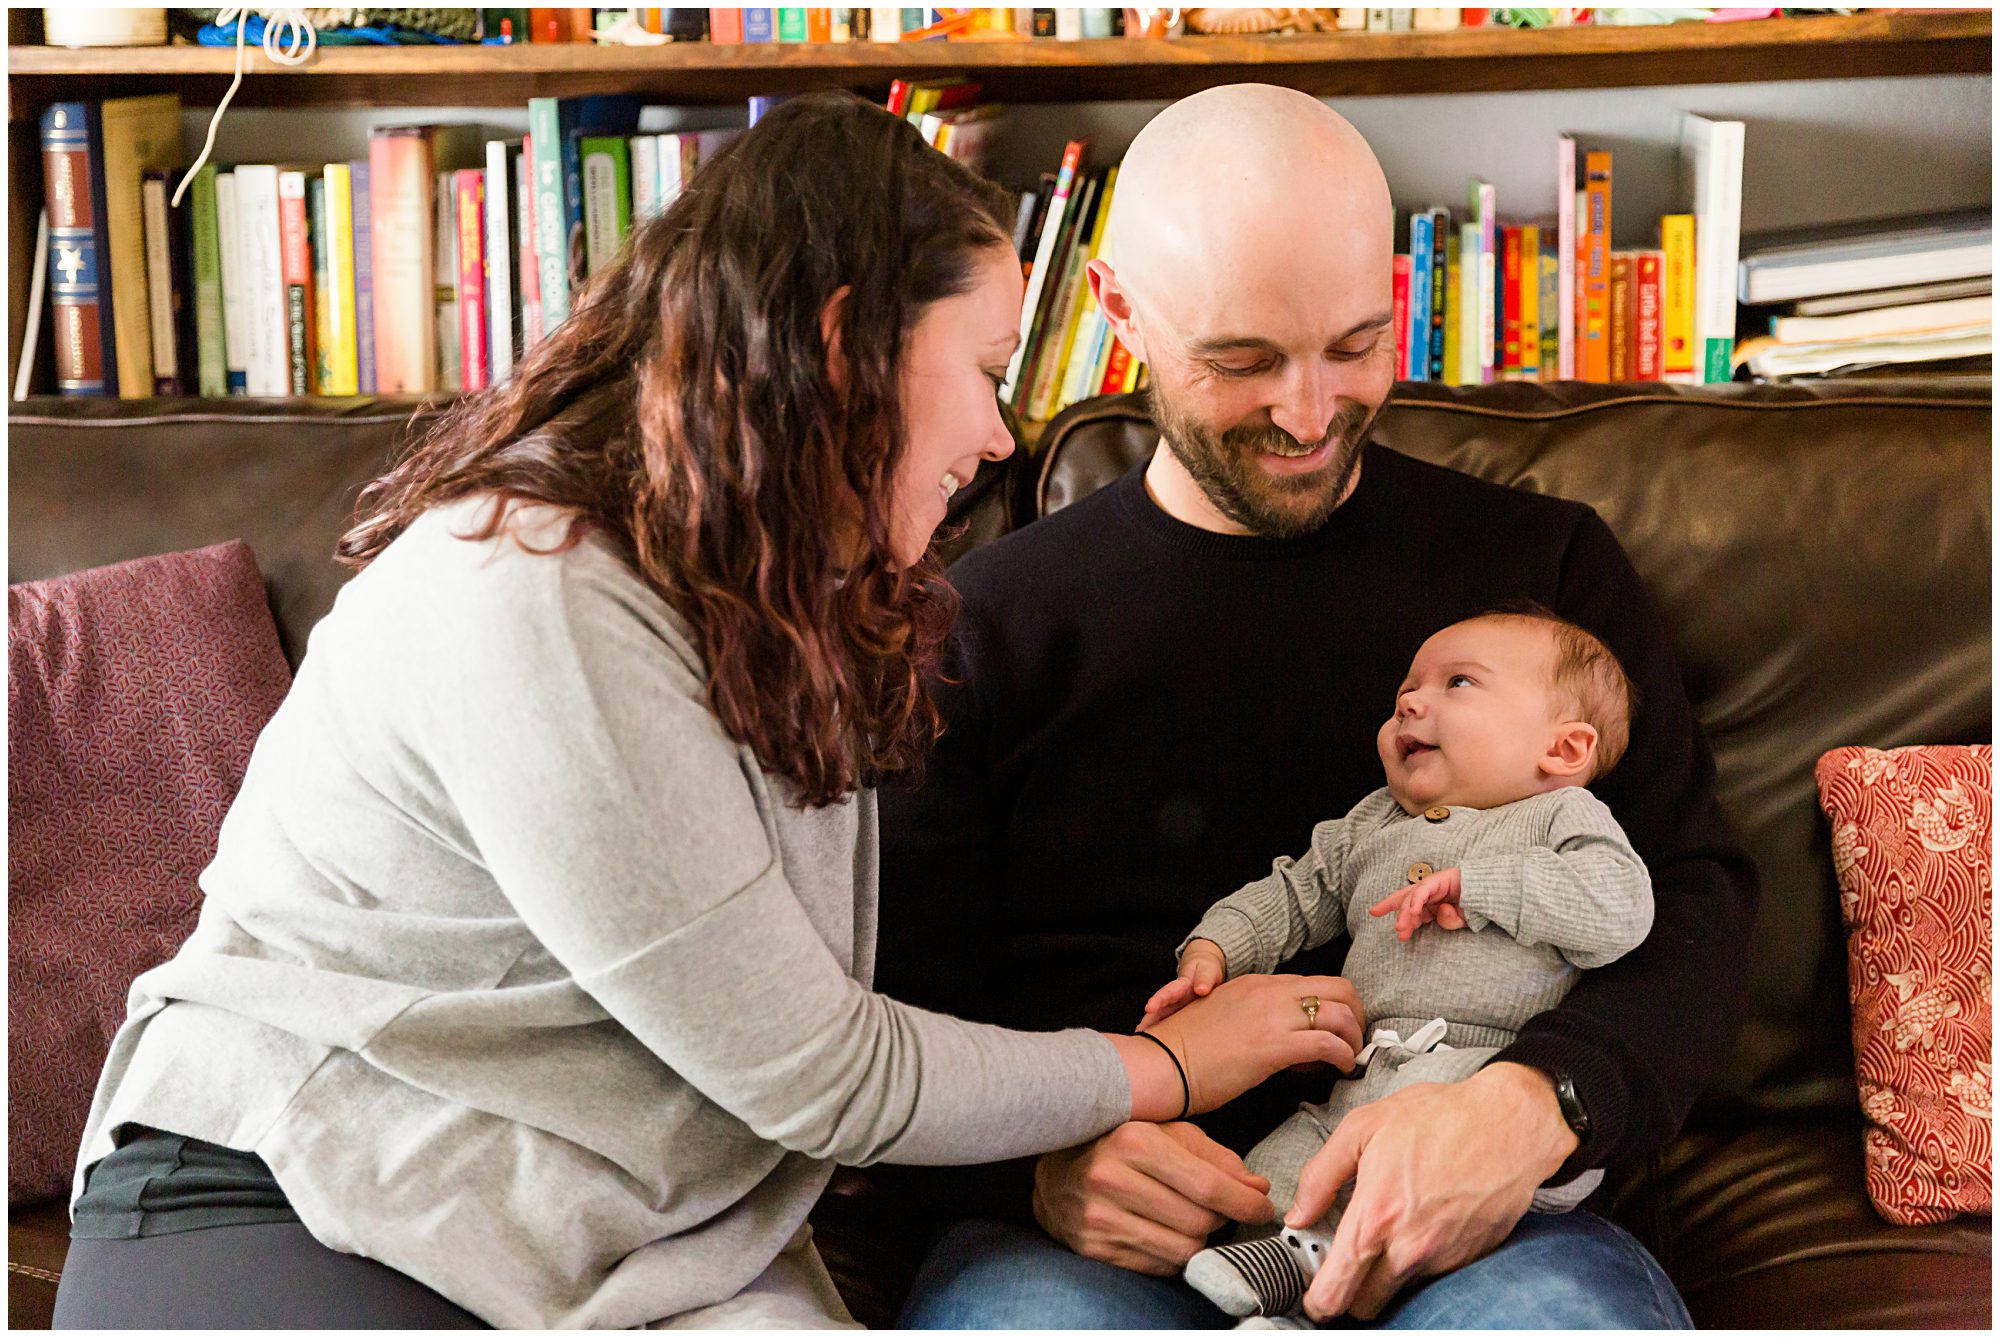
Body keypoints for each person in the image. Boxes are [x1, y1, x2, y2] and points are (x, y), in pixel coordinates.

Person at [50, 92, 1362, 1331]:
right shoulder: (536, 585)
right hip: (305, 1192)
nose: (1004, 432)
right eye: (980, 364)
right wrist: (1173, 1068)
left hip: (592, 1240)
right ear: (850, 345)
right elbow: (818, 1067)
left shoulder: (780, 599)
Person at [875, 83, 1759, 1328]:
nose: (1308, 412)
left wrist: (1538, 1104)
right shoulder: (981, 627)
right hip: (1088, 1246)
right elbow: (888, 1010)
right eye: (1242, 362)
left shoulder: (1541, 574)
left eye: (1353, 345)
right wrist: (1029, 1168)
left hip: (1479, 1220)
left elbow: (1692, 898)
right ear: (1118, 312)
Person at [1150, 609, 1654, 1321]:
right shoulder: (1373, 823)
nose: (1411, 704)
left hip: (1477, 1081)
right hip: (1364, 1080)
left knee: (1390, 1158)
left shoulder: (1562, 816)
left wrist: (1483, 886)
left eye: (1458, 683)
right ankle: (1284, 1297)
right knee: (1273, 1172)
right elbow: (1296, 890)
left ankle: (1309, 1277)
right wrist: (1214, 949)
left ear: (1564, 749)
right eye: (1404, 695)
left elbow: (1619, 911)